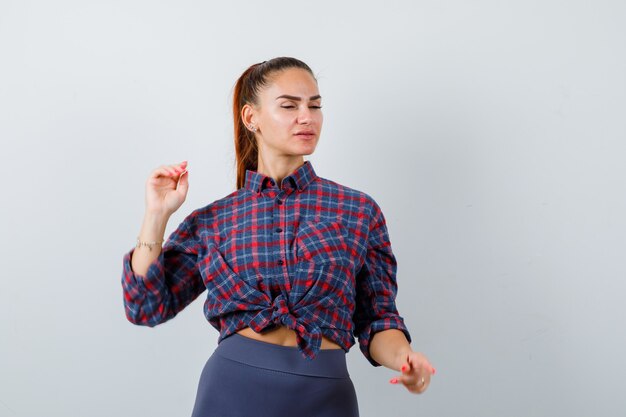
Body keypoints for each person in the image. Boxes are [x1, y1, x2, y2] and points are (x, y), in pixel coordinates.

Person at [121, 57, 435, 417]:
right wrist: (156, 215)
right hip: (232, 392)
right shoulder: (215, 220)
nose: (307, 117)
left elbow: (378, 319)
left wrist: (405, 359)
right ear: (250, 118)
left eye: (315, 105)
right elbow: (144, 306)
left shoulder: (358, 211)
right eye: (289, 105)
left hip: (326, 399)